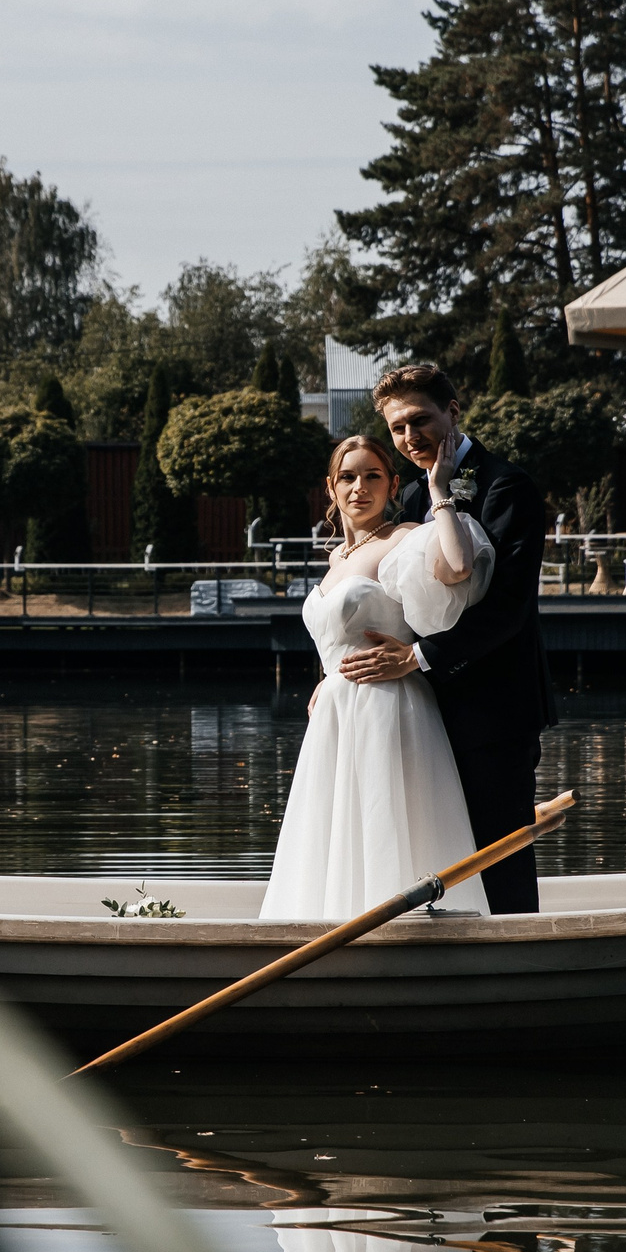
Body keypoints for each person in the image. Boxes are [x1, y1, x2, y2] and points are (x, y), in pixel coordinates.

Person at [337, 363, 555, 914]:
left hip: (493, 713)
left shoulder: (508, 486)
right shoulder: (409, 498)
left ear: (453, 412)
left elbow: (509, 609)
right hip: (420, 715)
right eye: (397, 428)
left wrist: (418, 656)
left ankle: (514, 973)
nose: (410, 438)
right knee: (432, 851)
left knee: (498, 854)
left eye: (420, 420)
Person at [261, 434, 494, 921]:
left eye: (373, 476)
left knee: (384, 820)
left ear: (392, 486)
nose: (359, 487)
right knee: (333, 830)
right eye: (348, 477)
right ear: (330, 487)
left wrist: (439, 492)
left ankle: (399, 934)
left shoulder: (405, 537)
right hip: (335, 716)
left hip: (387, 706)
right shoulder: (334, 560)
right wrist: (331, 676)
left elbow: (456, 566)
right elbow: (337, 635)